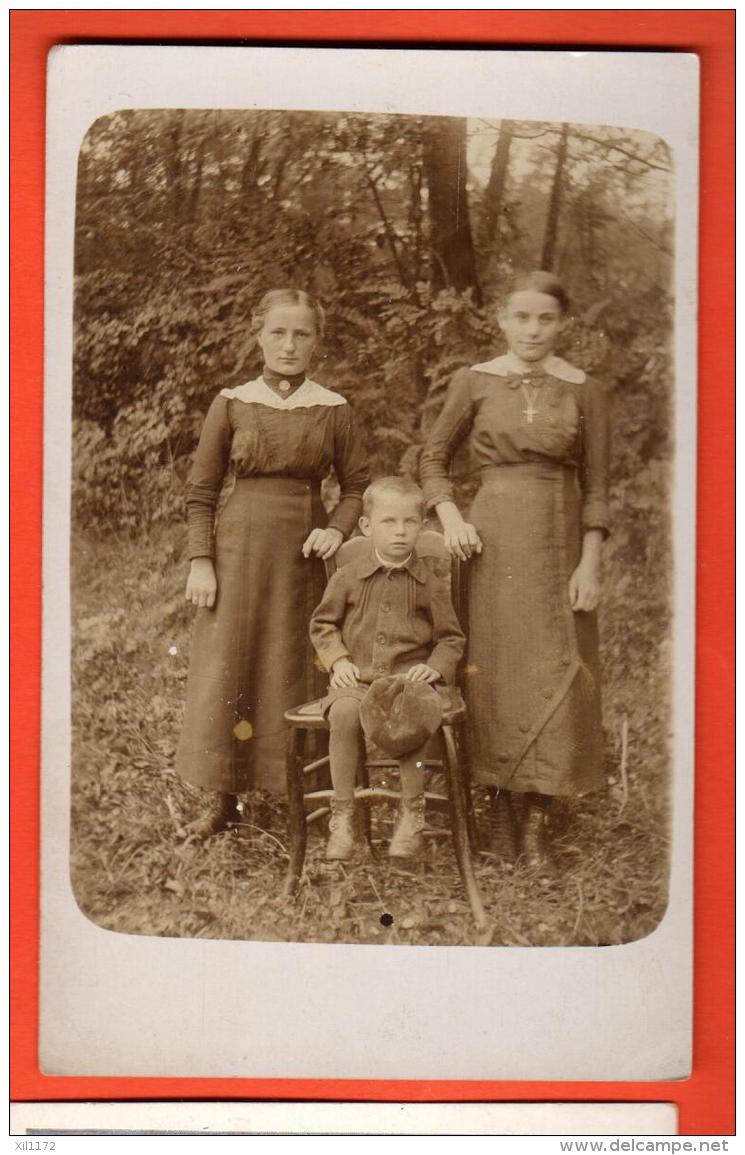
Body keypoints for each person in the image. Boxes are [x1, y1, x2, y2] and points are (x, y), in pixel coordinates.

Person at [419, 271, 610, 868]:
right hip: (492, 541)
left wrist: (591, 561)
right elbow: (432, 458)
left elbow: (599, 485)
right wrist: (450, 516)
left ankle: (538, 816)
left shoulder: (585, 390)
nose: (533, 330)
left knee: (554, 665)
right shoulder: (473, 382)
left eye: (546, 319)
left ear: (563, 325)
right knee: (496, 669)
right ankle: (498, 804)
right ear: (501, 319)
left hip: (558, 537)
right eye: (521, 318)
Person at [175, 288, 370, 838]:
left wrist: (335, 529)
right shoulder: (232, 402)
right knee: (231, 665)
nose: (289, 345)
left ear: (317, 342)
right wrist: (201, 561)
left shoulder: (333, 409)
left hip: (299, 559)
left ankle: (297, 794)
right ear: (259, 336)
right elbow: (201, 491)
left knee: (291, 666)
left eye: (301, 334)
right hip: (238, 552)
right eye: (278, 333)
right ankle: (223, 800)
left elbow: (356, 486)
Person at [309, 476, 465, 860]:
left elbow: (451, 638)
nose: (400, 532)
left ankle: (411, 817)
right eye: (388, 522)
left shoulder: (429, 582)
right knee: (343, 712)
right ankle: (343, 816)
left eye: (410, 523)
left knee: (408, 714)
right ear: (366, 527)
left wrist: (434, 667)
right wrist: (338, 660)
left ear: (422, 526)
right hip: (356, 679)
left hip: (407, 683)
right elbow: (322, 625)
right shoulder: (348, 577)